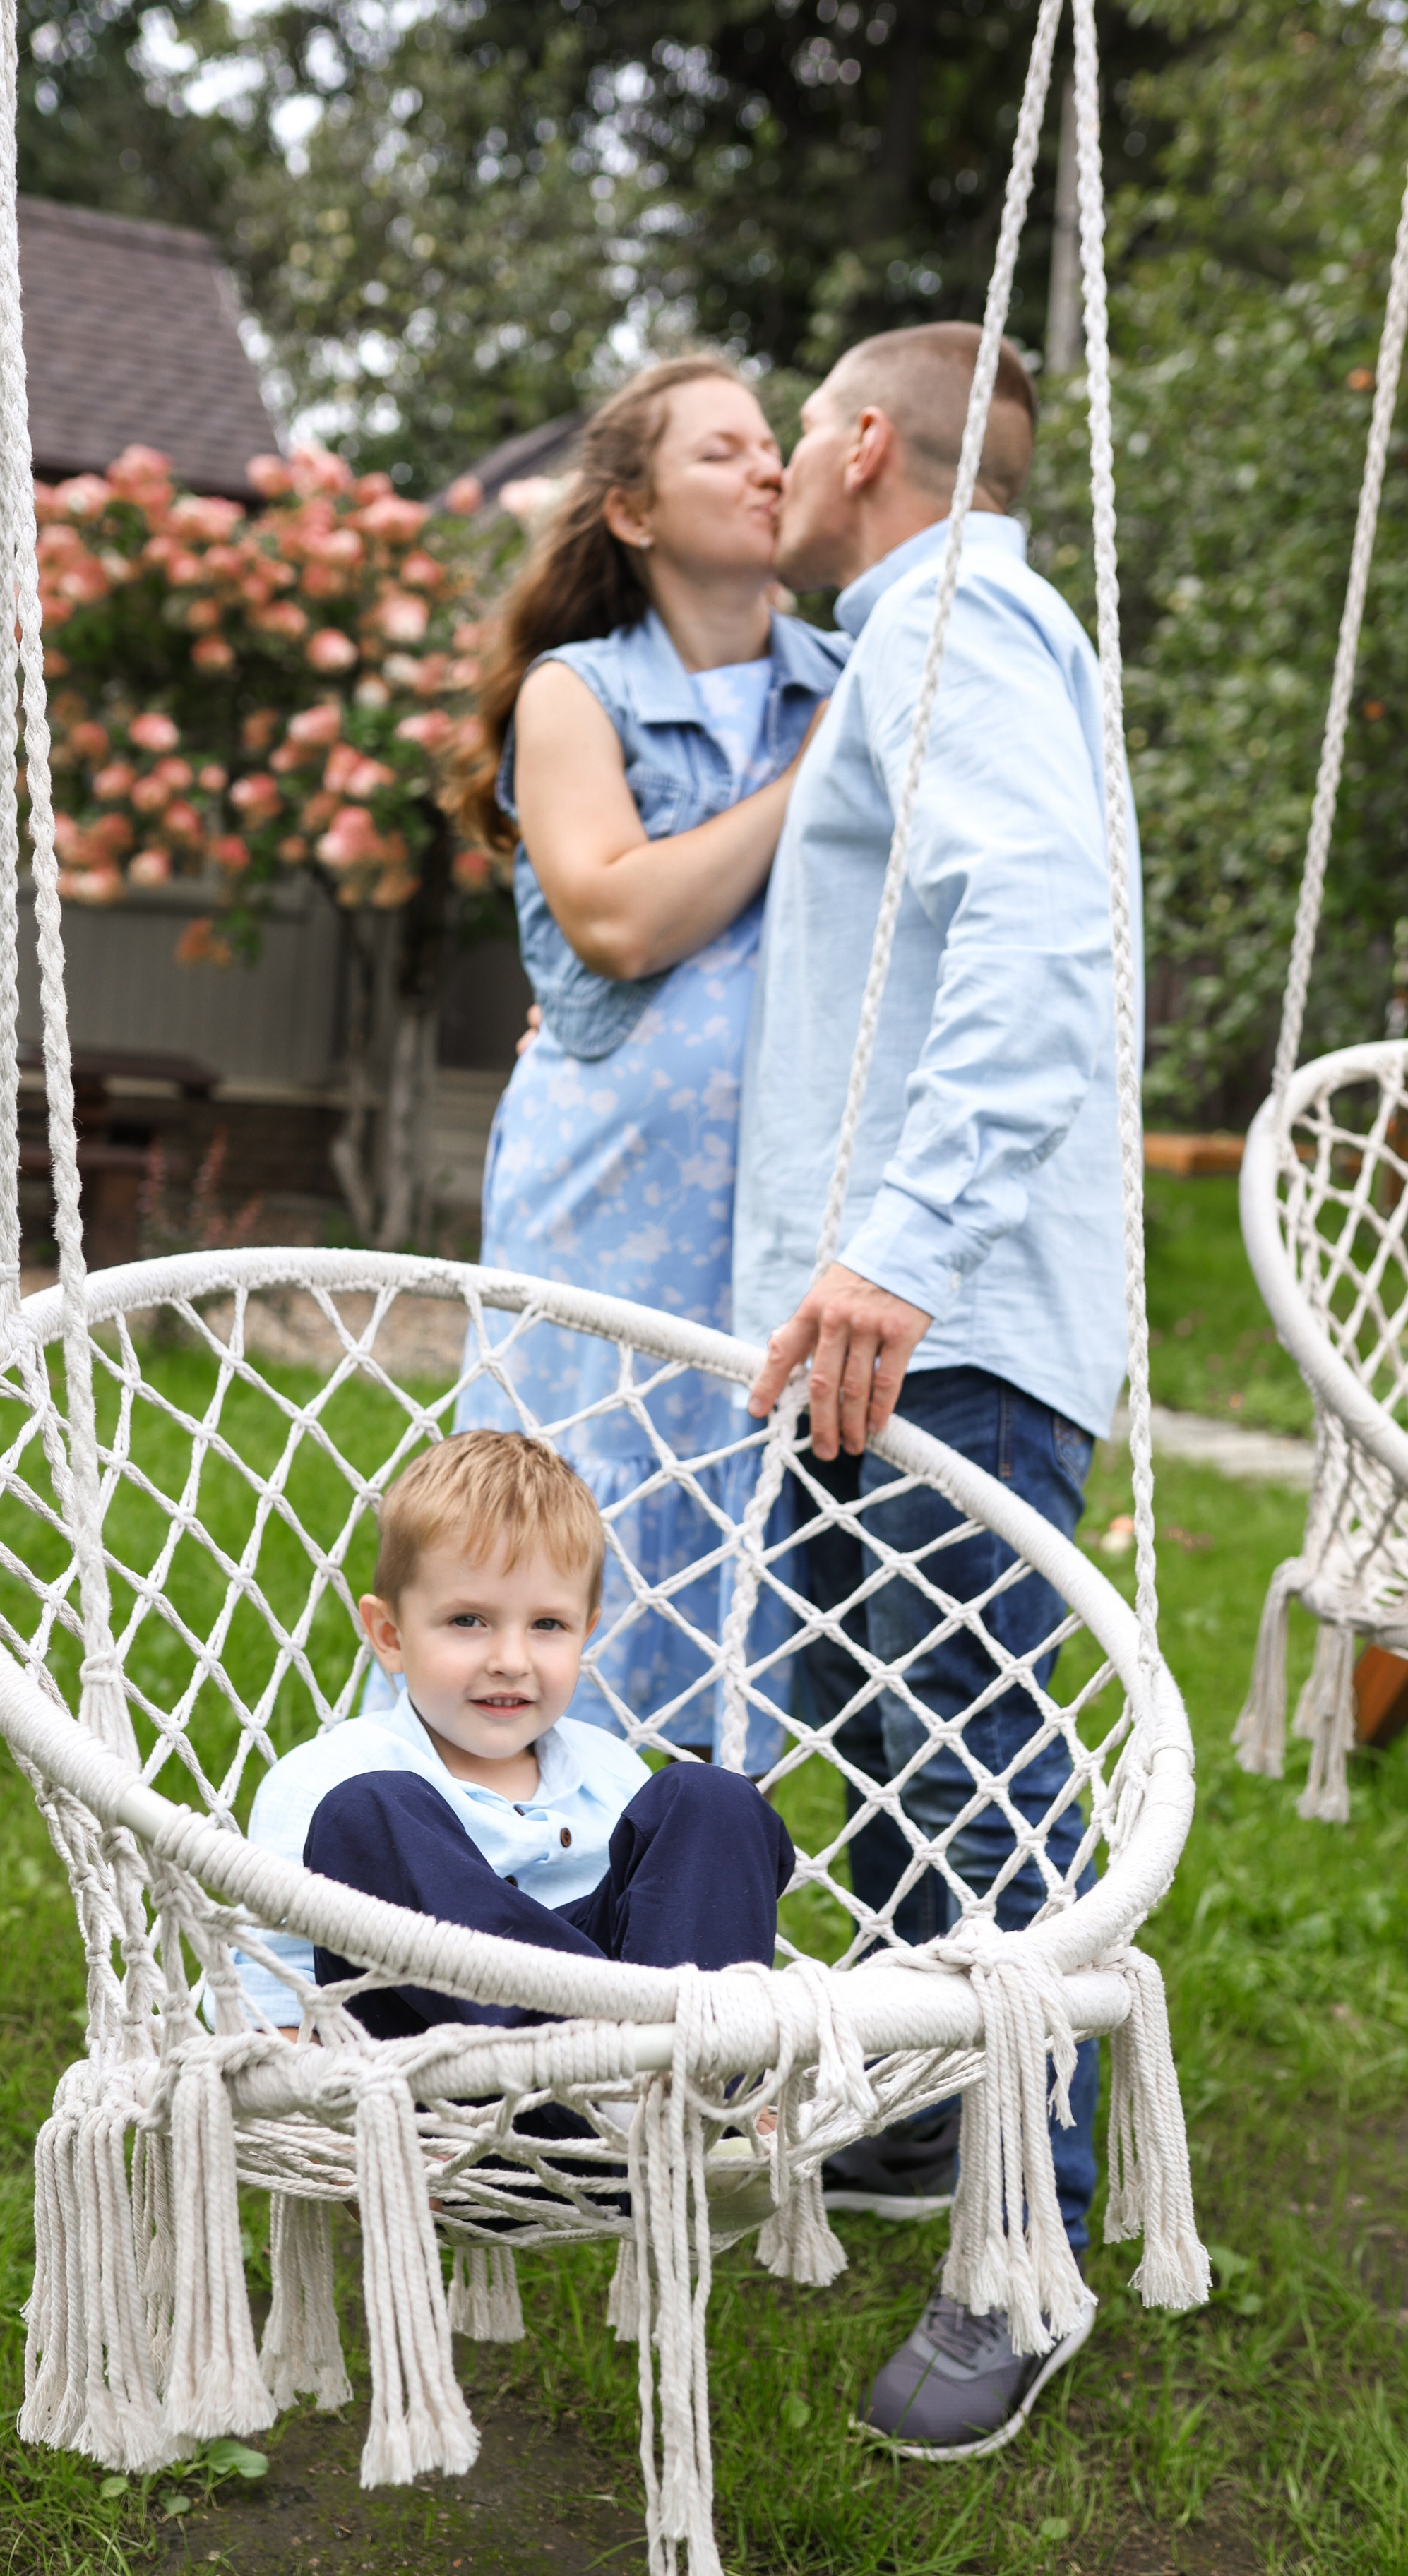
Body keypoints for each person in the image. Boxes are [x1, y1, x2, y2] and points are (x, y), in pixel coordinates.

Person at [734, 323, 1142, 2457]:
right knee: (884, 1741)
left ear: (868, 443)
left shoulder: (946, 609)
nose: (786, 463)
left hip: (940, 1308)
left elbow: (1040, 929)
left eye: (800, 428)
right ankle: (916, 2112)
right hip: (882, 1313)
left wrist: (899, 1242)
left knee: (969, 1765)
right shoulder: (928, 630)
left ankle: (1029, 2229)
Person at [448, 358, 845, 1762]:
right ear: (628, 510)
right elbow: (615, 918)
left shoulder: (846, 679)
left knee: (727, 1541)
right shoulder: (578, 692)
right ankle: (464, 1901)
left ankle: (669, 1923)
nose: (766, 469)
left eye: (770, 447)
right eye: (719, 454)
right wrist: (807, 786)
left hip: (786, 1202)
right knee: (552, 1532)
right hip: (603, 1196)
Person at [234, 1432, 794, 2055]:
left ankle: (703, 2062)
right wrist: (305, 2107)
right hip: (433, 2080)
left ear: (586, 1633)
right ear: (389, 1634)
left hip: (646, 2081)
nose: (510, 1660)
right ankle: (601, 2058)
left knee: (714, 1797)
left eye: (547, 1625)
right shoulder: (324, 1777)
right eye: (467, 1621)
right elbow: (272, 1984)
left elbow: (684, 1916)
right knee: (366, 1813)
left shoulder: (613, 1772)